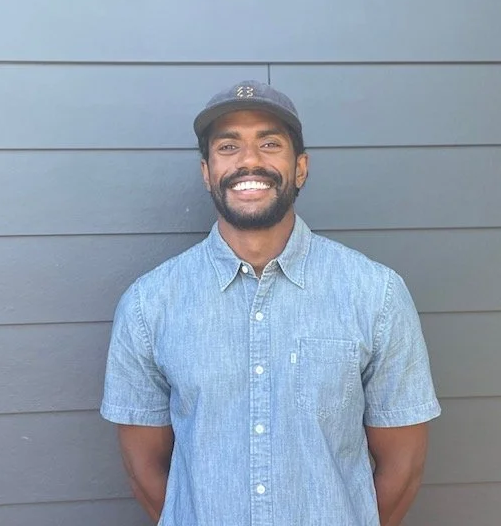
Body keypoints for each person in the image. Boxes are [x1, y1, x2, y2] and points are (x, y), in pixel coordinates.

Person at [101, 80, 441, 526]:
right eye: (228, 146)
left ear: (300, 168)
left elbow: (403, 468)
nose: (249, 160)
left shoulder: (377, 295)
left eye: (269, 143)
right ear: (206, 172)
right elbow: (144, 472)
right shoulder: (148, 306)